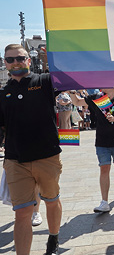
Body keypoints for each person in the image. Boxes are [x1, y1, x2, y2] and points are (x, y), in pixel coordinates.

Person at [0, 44, 63, 255]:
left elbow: (72, 74)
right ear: (5, 63)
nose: (15, 62)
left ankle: (53, 238)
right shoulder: (3, 93)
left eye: (20, 58)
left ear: (28, 59)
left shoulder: (45, 81)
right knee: (22, 213)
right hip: (15, 161)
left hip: (47, 156)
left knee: (51, 201)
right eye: (10, 59)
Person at [69, 88, 114, 213]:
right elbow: (77, 102)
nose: (100, 85)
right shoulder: (97, 97)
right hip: (102, 140)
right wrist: (72, 92)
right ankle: (104, 202)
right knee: (104, 168)